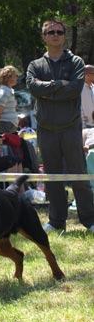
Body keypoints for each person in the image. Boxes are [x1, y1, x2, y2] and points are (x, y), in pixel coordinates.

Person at [26, 19, 94, 232]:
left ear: (64, 36)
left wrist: (47, 91)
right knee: (52, 177)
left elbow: (74, 89)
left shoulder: (75, 62)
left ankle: (90, 220)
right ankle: (56, 222)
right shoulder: (35, 65)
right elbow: (33, 88)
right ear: (44, 37)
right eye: (50, 32)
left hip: (71, 128)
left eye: (59, 31)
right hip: (46, 129)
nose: (55, 34)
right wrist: (58, 86)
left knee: (79, 175)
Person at [0, 65, 19, 134]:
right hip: (4, 124)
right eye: (15, 75)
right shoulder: (3, 93)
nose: (17, 77)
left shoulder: (9, 91)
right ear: (8, 78)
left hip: (11, 124)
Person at [81, 64, 94, 128]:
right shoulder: (79, 89)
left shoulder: (93, 87)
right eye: (93, 73)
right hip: (85, 125)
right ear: (87, 75)